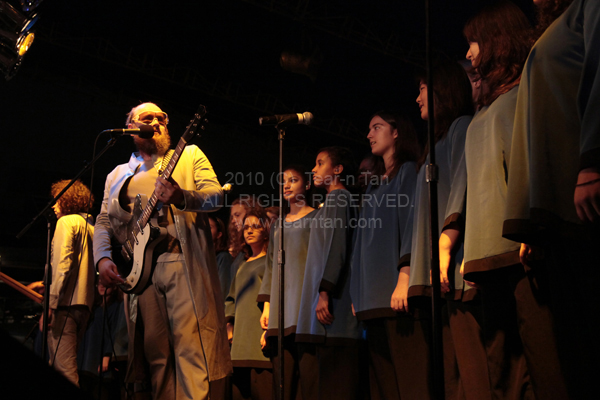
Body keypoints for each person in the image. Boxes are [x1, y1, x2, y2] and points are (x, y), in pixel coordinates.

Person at [459, 2, 569, 398]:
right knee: (501, 363)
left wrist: (532, 228)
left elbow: (533, 161)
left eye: (473, 42)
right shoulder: (484, 112)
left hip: (519, 247)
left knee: (542, 352)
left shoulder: (522, 94)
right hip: (487, 253)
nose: (468, 52)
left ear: (494, 40)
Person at [93, 102, 231, 400]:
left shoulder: (188, 155)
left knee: (190, 348)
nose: (157, 122)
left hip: (180, 259)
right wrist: (102, 258)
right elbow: (104, 220)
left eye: (162, 118)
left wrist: (182, 197)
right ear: (131, 127)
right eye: (148, 118)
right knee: (156, 355)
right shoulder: (117, 174)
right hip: (140, 273)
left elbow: (216, 196)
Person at [503, 0, 599, 397]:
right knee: (575, 346)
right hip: (557, 207)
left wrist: (593, 160)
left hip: (581, 197)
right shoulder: (559, 26)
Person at [409, 61, 488, 400]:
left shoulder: (461, 127)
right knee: (449, 371)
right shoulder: (435, 144)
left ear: (442, 89)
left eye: (423, 89)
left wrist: (445, 244)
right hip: (438, 274)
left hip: (454, 266)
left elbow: (462, 184)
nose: (417, 98)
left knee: (471, 365)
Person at [350, 111, 427, 400]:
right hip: (371, 300)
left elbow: (410, 226)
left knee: (409, 382)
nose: (369, 135)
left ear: (396, 132)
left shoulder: (407, 172)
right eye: (369, 129)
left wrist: (404, 277)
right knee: (382, 386)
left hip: (394, 297)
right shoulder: (373, 185)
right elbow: (361, 243)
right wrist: (357, 292)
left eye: (377, 127)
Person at [295, 147, 364, 400]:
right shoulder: (329, 203)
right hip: (328, 308)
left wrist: (325, 291)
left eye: (320, 163)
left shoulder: (339, 199)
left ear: (337, 169)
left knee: (337, 385)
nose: (314, 169)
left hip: (336, 308)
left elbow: (337, 246)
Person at [257, 165, 317, 400]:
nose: (287, 185)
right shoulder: (278, 225)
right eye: (283, 181)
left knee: (308, 379)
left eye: (293, 180)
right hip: (281, 310)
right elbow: (271, 267)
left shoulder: (317, 218)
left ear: (307, 185)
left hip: (305, 305)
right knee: (283, 381)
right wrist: (268, 306)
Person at [47, 179, 96, 387]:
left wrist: (51, 304)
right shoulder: (92, 227)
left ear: (67, 200)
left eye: (57, 200)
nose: (53, 206)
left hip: (64, 305)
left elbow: (63, 265)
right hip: (84, 307)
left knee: (64, 370)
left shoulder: (66, 223)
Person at [225, 207, 274, 400]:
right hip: (240, 342)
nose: (249, 231)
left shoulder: (269, 262)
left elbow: (273, 296)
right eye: (246, 228)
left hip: (258, 337)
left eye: (255, 226)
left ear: (266, 231)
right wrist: (229, 326)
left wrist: (269, 330)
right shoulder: (241, 264)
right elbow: (231, 298)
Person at [209, 215, 234, 301]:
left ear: (219, 234)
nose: (204, 231)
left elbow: (223, 290)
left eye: (209, 227)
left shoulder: (223, 258)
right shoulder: (200, 258)